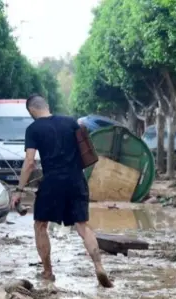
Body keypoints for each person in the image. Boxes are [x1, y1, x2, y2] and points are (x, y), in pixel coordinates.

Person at [10, 94, 113, 288]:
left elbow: (30, 163)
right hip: (76, 179)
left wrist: (19, 190)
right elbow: (85, 150)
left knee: (40, 225)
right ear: (47, 106)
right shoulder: (71, 122)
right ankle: (99, 266)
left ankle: (48, 273)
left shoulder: (33, 129)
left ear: (31, 111)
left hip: (52, 183)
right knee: (83, 227)